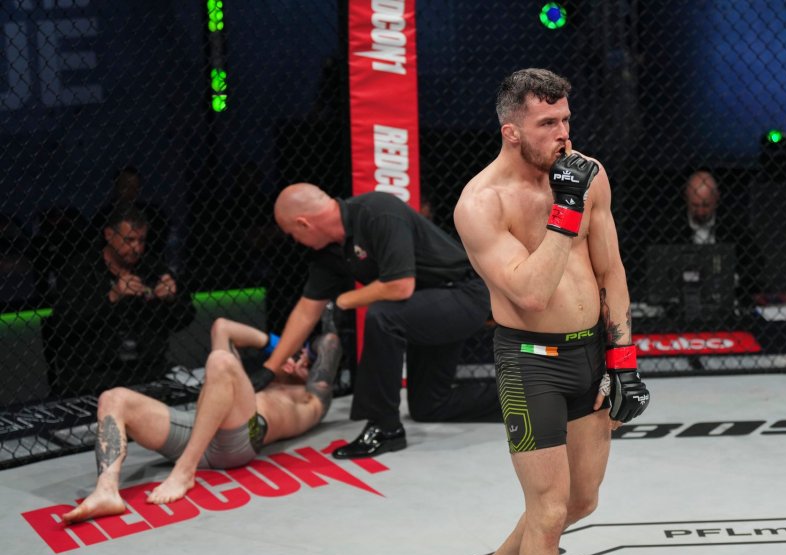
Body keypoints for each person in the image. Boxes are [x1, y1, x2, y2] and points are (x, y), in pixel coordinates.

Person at [453, 68, 650, 555]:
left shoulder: (589, 175)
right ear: (512, 131)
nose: (563, 134)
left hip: (590, 353)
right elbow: (533, 293)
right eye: (547, 123)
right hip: (529, 362)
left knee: (581, 500)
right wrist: (565, 210)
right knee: (546, 514)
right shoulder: (481, 203)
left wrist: (624, 358)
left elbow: (611, 270)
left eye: (566, 119)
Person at [259, 183, 500, 459]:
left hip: (463, 296)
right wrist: (269, 369)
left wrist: (343, 301)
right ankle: (527, 400)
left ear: (303, 223)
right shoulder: (329, 251)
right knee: (430, 405)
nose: (295, 242)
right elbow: (306, 311)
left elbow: (400, 286)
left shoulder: (376, 211)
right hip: (425, 309)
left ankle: (384, 428)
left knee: (383, 315)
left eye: (292, 234)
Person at [62, 312, 342, 523]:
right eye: (302, 357)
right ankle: (106, 492)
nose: (301, 363)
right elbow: (223, 327)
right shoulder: (258, 380)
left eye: (308, 364)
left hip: (239, 442)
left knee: (221, 361)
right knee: (114, 397)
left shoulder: (310, 398)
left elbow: (330, 344)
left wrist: (300, 360)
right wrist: (279, 349)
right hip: (197, 431)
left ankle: (184, 471)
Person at [44, 203, 195, 397]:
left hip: (147, 369)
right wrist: (112, 297)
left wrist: (172, 299)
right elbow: (63, 324)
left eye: (141, 240)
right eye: (129, 239)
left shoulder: (151, 267)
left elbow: (184, 318)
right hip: (95, 375)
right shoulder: (80, 269)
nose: (136, 248)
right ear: (109, 235)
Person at [666, 169, 767, 304]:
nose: (701, 211)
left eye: (706, 205)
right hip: (683, 297)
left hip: (726, 296)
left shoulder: (732, 224)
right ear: (686, 198)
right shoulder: (671, 226)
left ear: (716, 198)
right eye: (695, 205)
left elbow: (757, 260)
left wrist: (734, 278)